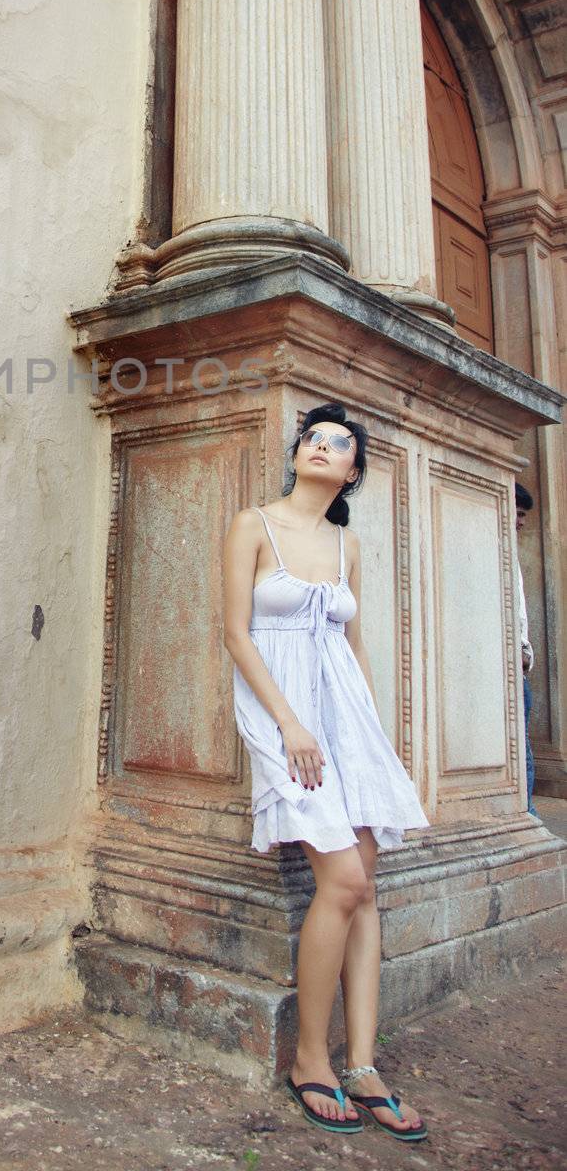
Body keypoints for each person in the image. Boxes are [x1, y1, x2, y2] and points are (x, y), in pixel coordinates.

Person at [223, 402, 430, 1142]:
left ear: (351, 471)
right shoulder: (253, 523)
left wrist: (372, 741)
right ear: (297, 454)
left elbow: (355, 644)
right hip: (284, 715)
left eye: (338, 444)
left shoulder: (347, 546)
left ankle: (363, 1064)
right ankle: (311, 1057)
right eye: (312, 438)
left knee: (363, 890)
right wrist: (288, 723)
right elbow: (235, 635)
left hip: (346, 723)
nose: (322, 447)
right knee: (341, 881)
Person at [516, 481, 537, 817]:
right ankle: (528, 815)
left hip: (517, 667)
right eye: (517, 513)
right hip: (507, 667)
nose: (520, 522)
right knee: (524, 755)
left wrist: (524, 651)